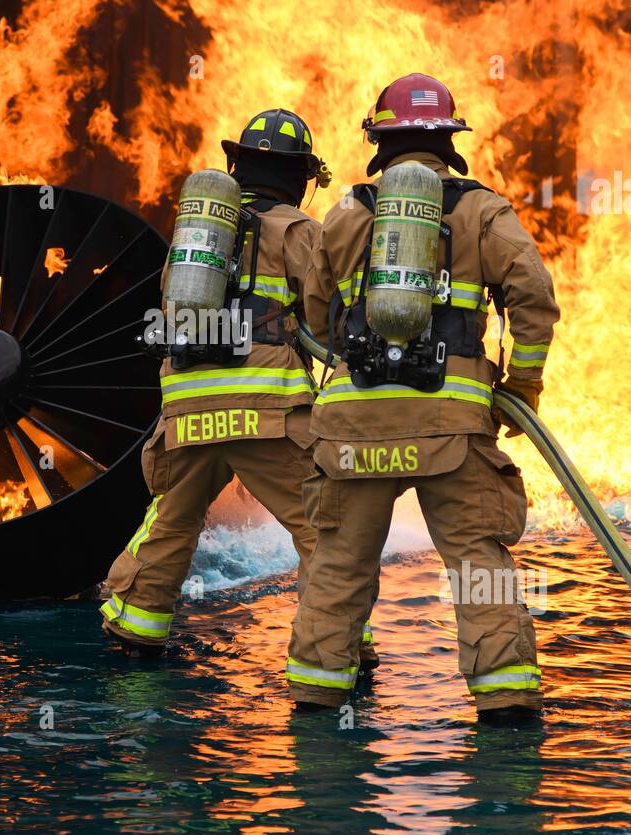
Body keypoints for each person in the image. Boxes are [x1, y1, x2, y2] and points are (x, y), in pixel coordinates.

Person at [286, 73, 560, 724]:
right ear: (449, 140)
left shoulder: (348, 211)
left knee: (338, 563)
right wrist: (519, 387)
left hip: (351, 424)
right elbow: (534, 300)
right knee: (478, 565)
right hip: (451, 426)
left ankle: (318, 701)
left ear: (379, 140)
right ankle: (506, 707)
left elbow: (318, 312)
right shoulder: (482, 210)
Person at [101, 109, 383, 661]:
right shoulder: (299, 231)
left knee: (170, 522)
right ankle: (343, 646)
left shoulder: (194, 245)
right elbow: (324, 312)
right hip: (266, 410)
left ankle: (135, 627)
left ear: (238, 165)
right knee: (323, 526)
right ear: (301, 176)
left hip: (187, 409)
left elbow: (171, 312)